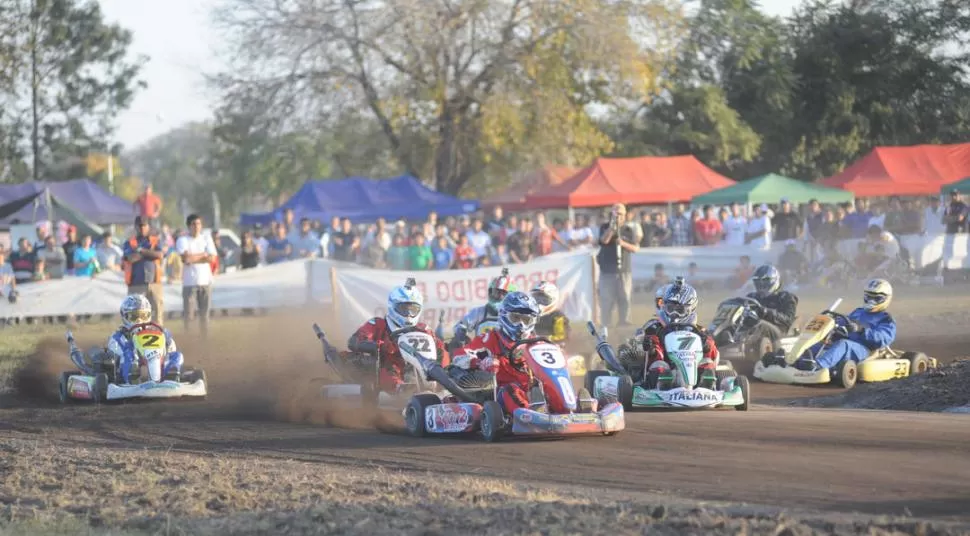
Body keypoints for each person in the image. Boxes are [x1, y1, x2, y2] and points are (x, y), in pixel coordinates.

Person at [451, 291, 595, 414]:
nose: (521, 325)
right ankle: (533, 414)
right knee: (511, 390)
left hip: (533, 390)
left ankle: (572, 407)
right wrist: (480, 362)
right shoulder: (490, 338)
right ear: (503, 315)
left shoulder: (537, 343)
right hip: (500, 393)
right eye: (516, 318)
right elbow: (458, 356)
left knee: (548, 386)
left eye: (526, 320)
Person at [346, 279, 448, 395]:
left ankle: (446, 386)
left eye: (413, 309)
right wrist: (375, 346)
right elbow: (354, 341)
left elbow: (439, 349)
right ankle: (400, 390)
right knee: (389, 369)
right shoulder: (378, 324)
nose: (409, 314)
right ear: (392, 306)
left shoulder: (424, 329)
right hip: (389, 365)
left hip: (423, 366)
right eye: (404, 309)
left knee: (443, 353)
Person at [71, 295, 184, 384]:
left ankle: (171, 377)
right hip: (124, 369)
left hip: (157, 359)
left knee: (177, 356)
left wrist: (167, 346)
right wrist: (129, 347)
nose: (139, 320)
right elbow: (115, 348)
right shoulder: (120, 335)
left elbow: (171, 347)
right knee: (129, 355)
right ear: (125, 316)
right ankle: (132, 379)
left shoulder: (159, 332)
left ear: (149, 315)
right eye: (134, 317)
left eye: (143, 316)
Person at [799, 279, 896, 372]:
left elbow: (883, 338)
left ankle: (818, 366)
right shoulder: (858, 312)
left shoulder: (885, 319)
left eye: (876, 298)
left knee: (843, 344)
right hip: (847, 341)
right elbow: (845, 322)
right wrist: (833, 323)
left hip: (866, 349)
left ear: (886, 299)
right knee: (819, 342)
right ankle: (800, 361)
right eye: (869, 297)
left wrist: (862, 330)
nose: (871, 301)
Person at [641, 280, 720, 389]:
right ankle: (661, 389)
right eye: (671, 309)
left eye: (679, 310)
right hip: (668, 372)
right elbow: (648, 351)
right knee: (659, 366)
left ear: (689, 309)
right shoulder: (655, 328)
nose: (674, 314)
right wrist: (652, 350)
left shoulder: (699, 330)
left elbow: (714, 355)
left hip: (694, 374)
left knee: (707, 363)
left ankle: (706, 389)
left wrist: (706, 345)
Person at [449, 268, 515, 350]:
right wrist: (461, 333)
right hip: (480, 355)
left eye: (504, 294)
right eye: (496, 292)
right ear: (490, 292)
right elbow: (460, 325)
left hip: (506, 356)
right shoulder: (478, 312)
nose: (499, 297)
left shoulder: (515, 316)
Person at [176, 214, 218, 338]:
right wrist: (203, 255)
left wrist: (195, 257)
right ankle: (189, 340)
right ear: (189, 226)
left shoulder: (206, 238)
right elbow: (186, 259)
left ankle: (204, 341)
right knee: (189, 316)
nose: (197, 227)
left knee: (204, 316)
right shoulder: (182, 240)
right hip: (190, 283)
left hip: (205, 281)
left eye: (199, 224)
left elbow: (212, 257)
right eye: (194, 224)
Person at [123, 216, 165, 323]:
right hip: (136, 283)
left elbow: (159, 255)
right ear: (136, 227)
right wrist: (149, 253)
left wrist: (140, 251)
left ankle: (158, 334)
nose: (142, 228)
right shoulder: (129, 243)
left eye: (144, 225)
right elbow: (131, 259)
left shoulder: (155, 241)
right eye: (140, 226)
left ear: (148, 226)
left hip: (154, 282)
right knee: (136, 314)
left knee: (157, 311)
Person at [744, 264, 799, 344]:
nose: (761, 284)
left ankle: (748, 344)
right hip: (752, 329)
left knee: (760, 325)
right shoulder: (752, 297)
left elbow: (788, 320)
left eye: (765, 281)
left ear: (774, 281)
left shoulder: (785, 297)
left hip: (778, 331)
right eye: (758, 281)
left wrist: (766, 312)